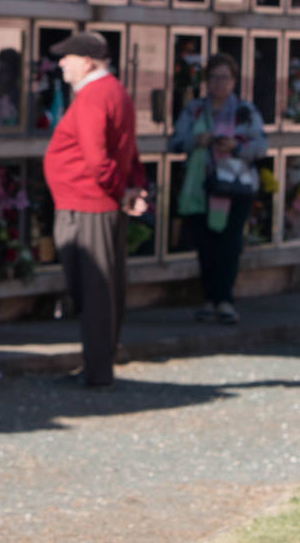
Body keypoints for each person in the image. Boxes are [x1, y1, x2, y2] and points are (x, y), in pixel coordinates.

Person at [43, 31, 148, 388]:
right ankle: (97, 364)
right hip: (98, 203)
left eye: (66, 57)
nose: (61, 64)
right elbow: (129, 148)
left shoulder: (93, 96)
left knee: (94, 290)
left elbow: (97, 158)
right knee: (102, 288)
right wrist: (133, 186)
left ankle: (97, 370)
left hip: (87, 206)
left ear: (87, 61)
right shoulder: (116, 91)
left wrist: (122, 192)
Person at [169, 52, 267, 325]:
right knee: (206, 246)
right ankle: (209, 299)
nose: (218, 83)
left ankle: (225, 300)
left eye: (224, 77)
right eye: (213, 77)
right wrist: (196, 140)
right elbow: (174, 142)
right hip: (201, 187)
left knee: (229, 244)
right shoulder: (195, 110)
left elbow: (261, 146)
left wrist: (236, 146)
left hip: (234, 188)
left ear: (234, 81)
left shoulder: (244, 111)